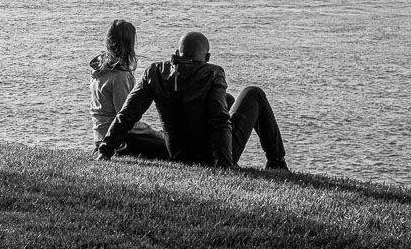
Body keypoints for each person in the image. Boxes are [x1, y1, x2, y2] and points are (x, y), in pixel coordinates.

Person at [96, 31, 288, 169]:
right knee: (253, 93)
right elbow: (219, 122)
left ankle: (273, 161)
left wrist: (105, 149)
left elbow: (128, 113)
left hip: (178, 155)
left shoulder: (155, 72)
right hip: (210, 157)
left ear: (178, 52)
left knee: (228, 100)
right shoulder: (212, 73)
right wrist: (224, 166)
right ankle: (276, 161)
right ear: (207, 56)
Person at [89, 19, 169, 160]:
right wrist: (156, 132)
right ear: (129, 43)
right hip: (119, 140)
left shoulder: (99, 70)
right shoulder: (121, 76)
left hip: (100, 136)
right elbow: (125, 121)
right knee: (172, 147)